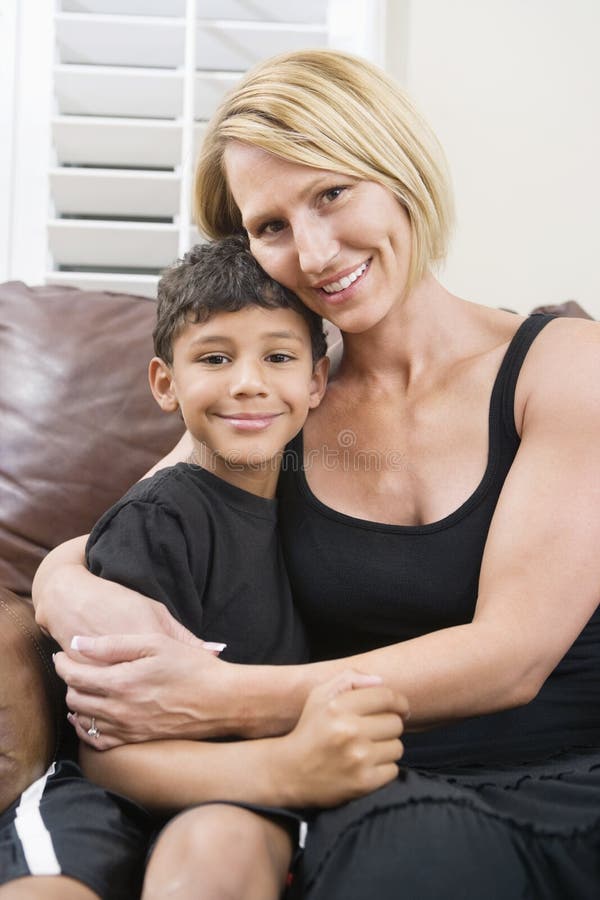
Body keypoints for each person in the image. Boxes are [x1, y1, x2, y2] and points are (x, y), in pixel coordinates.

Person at [32, 48, 600, 899]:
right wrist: (54, 581)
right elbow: (138, 521)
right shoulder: (282, 399)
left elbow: (510, 655)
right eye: (271, 227)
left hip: (574, 772)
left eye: (332, 193)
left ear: (396, 170)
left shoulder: (562, 368)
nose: (317, 251)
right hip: (387, 788)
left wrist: (219, 695)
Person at [1, 234, 405, 900]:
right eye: (215, 358)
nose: (248, 383)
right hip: (113, 793)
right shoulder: (163, 518)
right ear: (166, 383)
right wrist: (286, 768)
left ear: (316, 380)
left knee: (220, 855)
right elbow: (108, 755)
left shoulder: (318, 497)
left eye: (277, 356)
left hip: (237, 795)